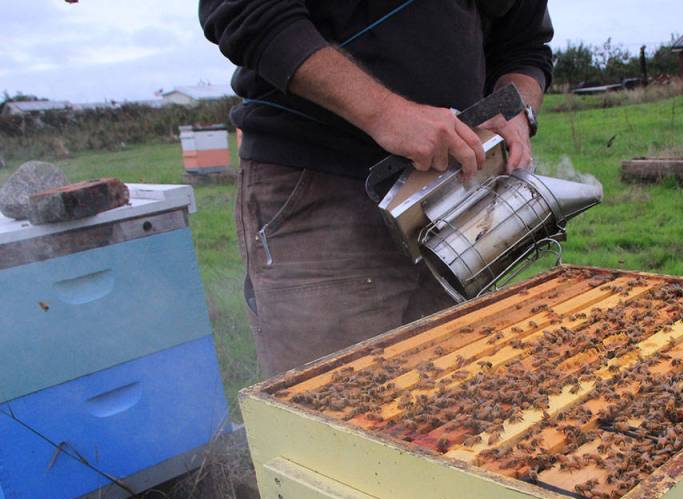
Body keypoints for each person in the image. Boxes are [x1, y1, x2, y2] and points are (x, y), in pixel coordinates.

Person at [199, 0, 553, 376]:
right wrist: (385, 112)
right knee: (330, 406)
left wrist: (518, 108)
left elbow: (525, 46)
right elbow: (246, 11)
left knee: (451, 393)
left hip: (458, 198)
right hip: (321, 185)